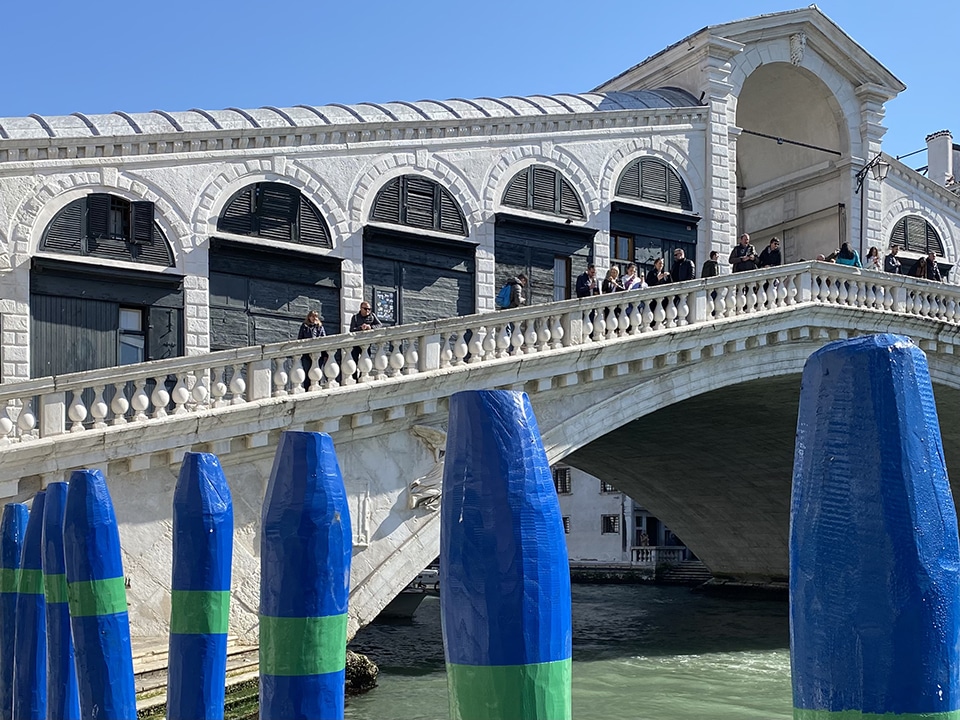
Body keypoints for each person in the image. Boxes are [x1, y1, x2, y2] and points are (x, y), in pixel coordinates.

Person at [350, 301, 382, 378]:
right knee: (354, 359)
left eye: (369, 309)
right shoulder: (355, 317)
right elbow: (351, 329)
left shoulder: (372, 316)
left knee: (366, 358)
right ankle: (354, 377)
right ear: (361, 308)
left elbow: (380, 325)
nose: (368, 311)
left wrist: (371, 327)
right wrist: (360, 328)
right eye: (365, 309)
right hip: (357, 343)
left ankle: (362, 375)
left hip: (367, 343)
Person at [298, 310, 326, 389]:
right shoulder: (304, 326)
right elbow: (300, 339)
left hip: (318, 354)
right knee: (307, 372)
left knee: (317, 372)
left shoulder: (320, 327)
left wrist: (325, 355)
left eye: (316, 316)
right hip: (306, 354)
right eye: (313, 316)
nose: (314, 318)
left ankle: (317, 387)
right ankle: (307, 388)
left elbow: (324, 340)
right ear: (309, 317)